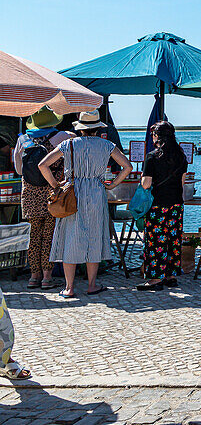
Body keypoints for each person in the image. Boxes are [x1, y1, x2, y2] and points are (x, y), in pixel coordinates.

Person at [38, 110, 133, 299]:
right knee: (94, 238)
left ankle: (69, 287)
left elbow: (42, 165)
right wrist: (112, 184)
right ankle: (91, 284)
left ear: (80, 129)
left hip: (72, 193)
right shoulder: (107, 145)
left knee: (70, 238)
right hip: (97, 193)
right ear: (98, 128)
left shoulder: (68, 144)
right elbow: (128, 167)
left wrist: (57, 185)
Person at [12, 108, 73, 289]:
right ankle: (47, 277)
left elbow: (19, 170)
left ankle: (33, 276)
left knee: (33, 235)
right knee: (49, 235)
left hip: (29, 192)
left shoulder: (22, 139)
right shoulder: (61, 136)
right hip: (52, 191)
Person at [137, 121, 188, 291]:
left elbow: (145, 184)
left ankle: (155, 279)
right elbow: (182, 183)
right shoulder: (181, 156)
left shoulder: (152, 157)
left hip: (158, 205)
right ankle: (171, 275)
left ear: (158, 137)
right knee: (173, 240)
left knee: (155, 241)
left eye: (153, 135)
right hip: (176, 204)